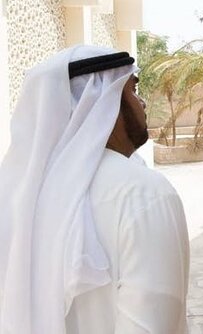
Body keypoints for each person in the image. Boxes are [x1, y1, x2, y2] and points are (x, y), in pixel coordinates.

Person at [0, 46, 190, 334]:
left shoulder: (21, 199)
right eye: (132, 90)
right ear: (105, 101)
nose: (142, 103)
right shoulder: (143, 192)